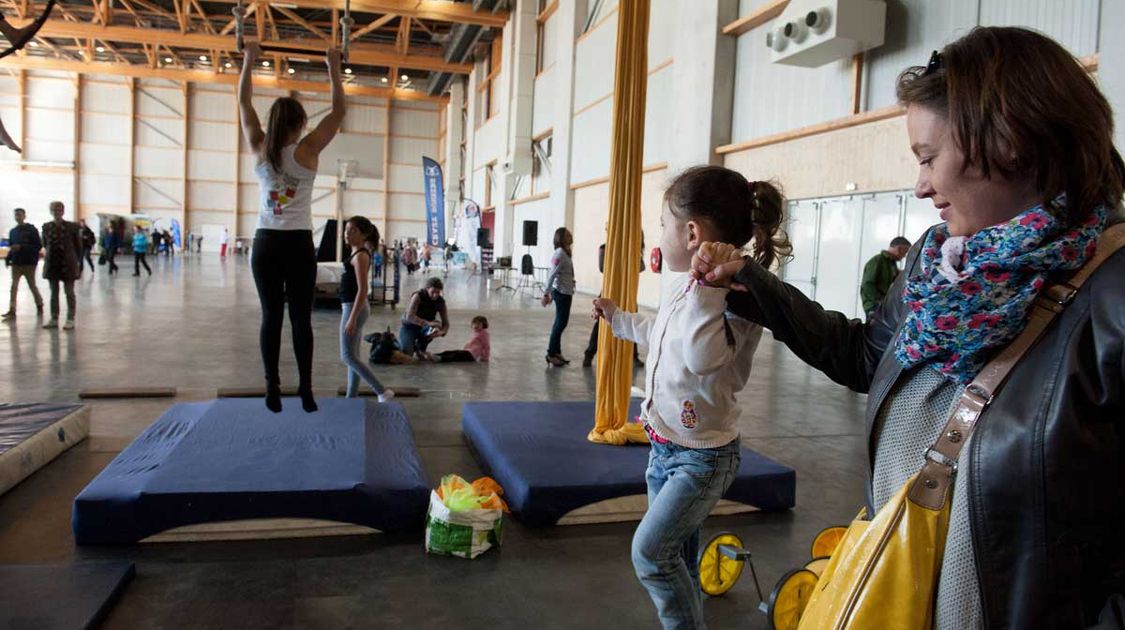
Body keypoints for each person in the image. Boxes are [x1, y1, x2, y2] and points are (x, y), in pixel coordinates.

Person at [692, 28, 1125, 628]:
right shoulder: (938, 262)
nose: (920, 185)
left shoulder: (1113, 300)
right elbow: (865, 355)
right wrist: (755, 284)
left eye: (928, 157)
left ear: (1010, 141)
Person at [592, 165, 788, 629]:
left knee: (651, 554)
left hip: (703, 459)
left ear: (692, 232)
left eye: (664, 225)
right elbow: (663, 335)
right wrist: (619, 319)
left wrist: (709, 291)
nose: (660, 235)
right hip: (664, 447)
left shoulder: (735, 295)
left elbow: (702, 357)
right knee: (678, 553)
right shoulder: (687, 286)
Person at [240, 42, 345, 414]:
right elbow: (338, 112)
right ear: (300, 124)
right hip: (298, 245)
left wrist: (249, 60)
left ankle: (272, 388)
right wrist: (332, 64)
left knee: (271, 317)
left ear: (273, 123)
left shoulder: (259, 148)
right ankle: (306, 390)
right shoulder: (309, 151)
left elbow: (244, 105)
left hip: (265, 243)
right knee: (301, 319)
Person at [338, 216, 394, 402]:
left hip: (354, 308)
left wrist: (352, 318)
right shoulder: (356, 252)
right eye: (346, 230)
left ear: (363, 234)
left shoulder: (361, 255)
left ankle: (381, 390)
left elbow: (363, 289)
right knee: (353, 355)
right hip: (354, 307)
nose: (347, 234)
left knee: (347, 356)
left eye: (353, 230)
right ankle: (351, 396)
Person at [40, 201, 83, 330]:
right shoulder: (46, 227)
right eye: (54, 210)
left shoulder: (72, 227)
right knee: (54, 293)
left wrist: (79, 263)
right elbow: (45, 244)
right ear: (51, 211)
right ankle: (54, 318)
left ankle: (70, 318)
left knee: (69, 292)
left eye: (59, 210)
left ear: (63, 211)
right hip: (52, 263)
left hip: (68, 264)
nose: (57, 212)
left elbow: (78, 246)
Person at [542, 227, 575, 367]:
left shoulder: (566, 253)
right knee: (560, 323)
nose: (570, 236)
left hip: (566, 291)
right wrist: (546, 293)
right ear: (560, 239)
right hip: (561, 292)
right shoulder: (559, 254)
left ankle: (557, 352)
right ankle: (551, 353)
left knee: (560, 322)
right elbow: (552, 274)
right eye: (567, 235)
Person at [3, 207, 44, 321]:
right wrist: (8, 258)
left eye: (20, 215)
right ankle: (12, 309)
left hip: (29, 263)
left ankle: (39, 304)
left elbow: (38, 246)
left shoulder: (32, 230)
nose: (18, 217)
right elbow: (12, 247)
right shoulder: (13, 231)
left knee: (32, 285)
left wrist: (22, 247)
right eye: (16, 215)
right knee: (14, 286)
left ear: (24, 216)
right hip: (16, 263)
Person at [399, 276, 449, 361]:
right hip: (409, 326)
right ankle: (412, 346)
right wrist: (428, 323)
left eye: (438, 292)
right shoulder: (418, 296)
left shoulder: (441, 302)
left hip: (425, 329)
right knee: (407, 355)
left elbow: (446, 323)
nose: (435, 295)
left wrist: (443, 332)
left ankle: (421, 347)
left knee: (436, 326)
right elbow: (410, 316)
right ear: (427, 289)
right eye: (433, 291)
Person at [860, 236, 910, 317]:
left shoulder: (891, 264)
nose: (904, 256)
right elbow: (867, 284)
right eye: (905, 252)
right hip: (874, 306)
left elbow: (898, 277)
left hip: (883, 305)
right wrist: (875, 303)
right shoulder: (878, 260)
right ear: (899, 249)